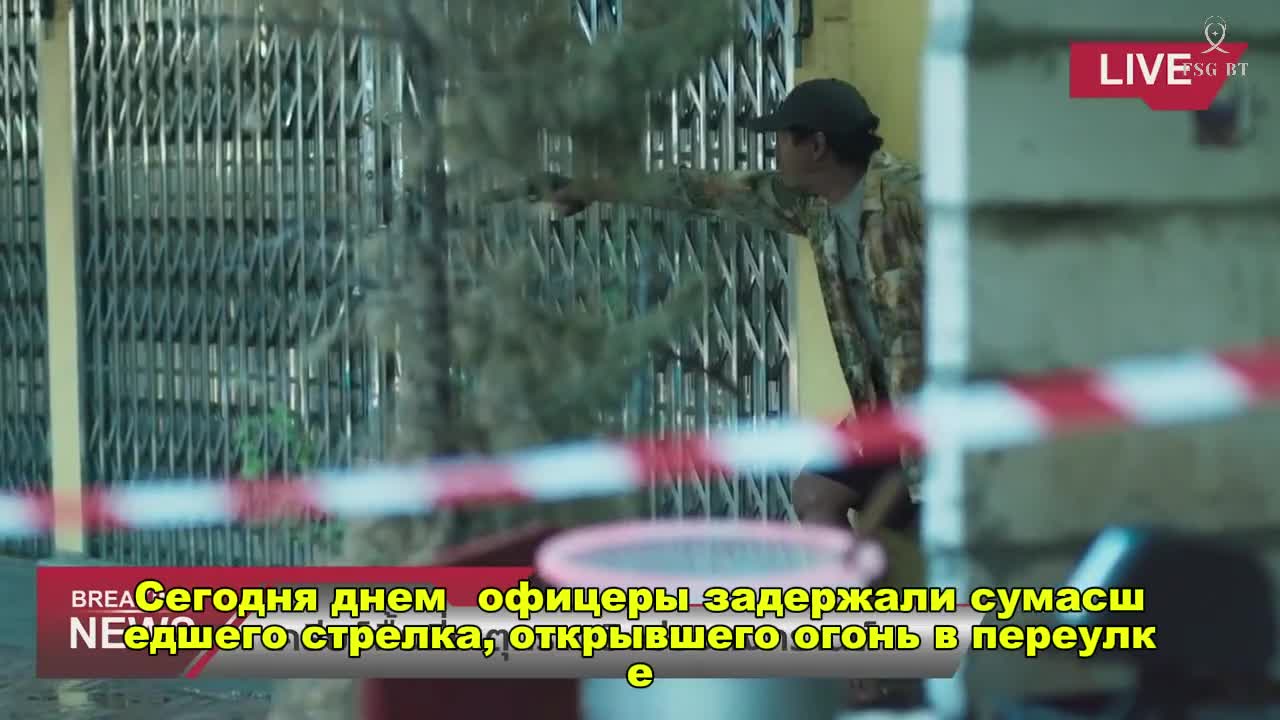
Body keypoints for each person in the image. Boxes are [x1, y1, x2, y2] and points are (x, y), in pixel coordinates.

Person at [545, 76, 925, 540]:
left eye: (782, 139)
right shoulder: (815, 207)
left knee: (959, 537)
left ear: (817, 146)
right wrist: (591, 187)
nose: (775, 150)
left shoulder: (912, 199)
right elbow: (706, 190)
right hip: (884, 409)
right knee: (816, 492)